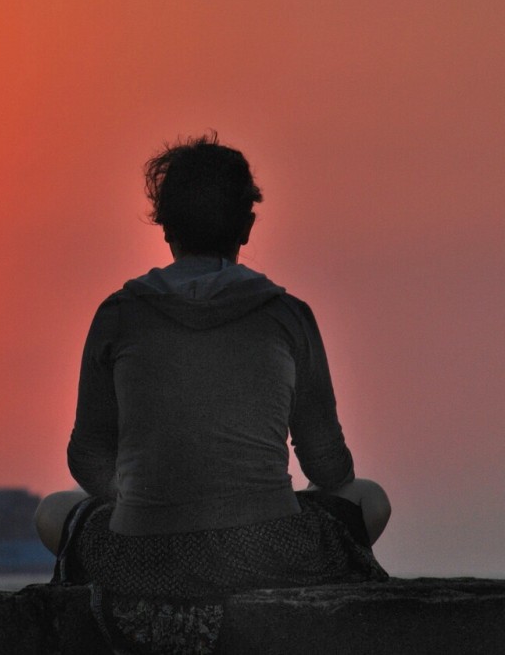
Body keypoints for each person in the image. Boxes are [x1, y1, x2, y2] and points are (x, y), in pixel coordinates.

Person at [37, 133, 390, 609]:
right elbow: (327, 465)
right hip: (270, 555)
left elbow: (86, 455)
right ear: (246, 226)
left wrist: (139, 496)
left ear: (165, 227)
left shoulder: (119, 315)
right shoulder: (286, 315)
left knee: (52, 510)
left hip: (142, 560)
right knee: (370, 497)